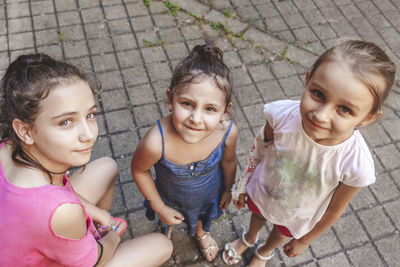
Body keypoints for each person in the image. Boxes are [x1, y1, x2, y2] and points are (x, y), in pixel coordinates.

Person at [222, 40, 396, 266]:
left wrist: (306, 239)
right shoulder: (282, 114)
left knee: (281, 232)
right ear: (308, 80)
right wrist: (244, 182)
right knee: (257, 215)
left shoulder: (356, 164)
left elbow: (335, 209)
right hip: (264, 191)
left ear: (367, 117)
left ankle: (264, 252)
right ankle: (250, 237)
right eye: (318, 94)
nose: (321, 115)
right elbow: (260, 147)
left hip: (297, 214)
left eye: (344, 109)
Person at [0, 54, 173, 267]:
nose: (89, 134)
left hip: (24, 238)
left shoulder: (9, 146)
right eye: (65, 122)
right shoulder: (62, 210)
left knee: (107, 167)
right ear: (25, 130)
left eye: (90, 115)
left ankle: (86, 236)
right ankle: (92, 239)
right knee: (162, 245)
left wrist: (96, 212)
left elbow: (51, 195)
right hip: (76, 253)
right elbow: (94, 260)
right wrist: (113, 235)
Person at [131, 41, 238, 262]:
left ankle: (201, 231)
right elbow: (139, 170)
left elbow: (229, 162)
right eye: (187, 104)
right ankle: (165, 227)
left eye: (210, 109)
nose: (196, 119)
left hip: (208, 195)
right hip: (169, 198)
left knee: (202, 216)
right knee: (167, 218)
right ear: (170, 99)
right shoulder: (156, 142)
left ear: (225, 112)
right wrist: (159, 207)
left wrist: (228, 189)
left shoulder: (227, 132)